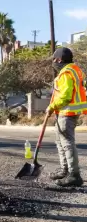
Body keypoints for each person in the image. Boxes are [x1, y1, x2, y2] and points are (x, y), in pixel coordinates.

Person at [47, 47, 86, 187]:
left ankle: (74, 175)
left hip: (67, 112)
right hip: (65, 112)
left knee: (67, 143)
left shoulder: (66, 73)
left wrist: (51, 106)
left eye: (54, 60)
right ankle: (65, 170)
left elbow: (65, 96)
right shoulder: (75, 70)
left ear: (59, 59)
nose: (53, 62)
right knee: (60, 142)